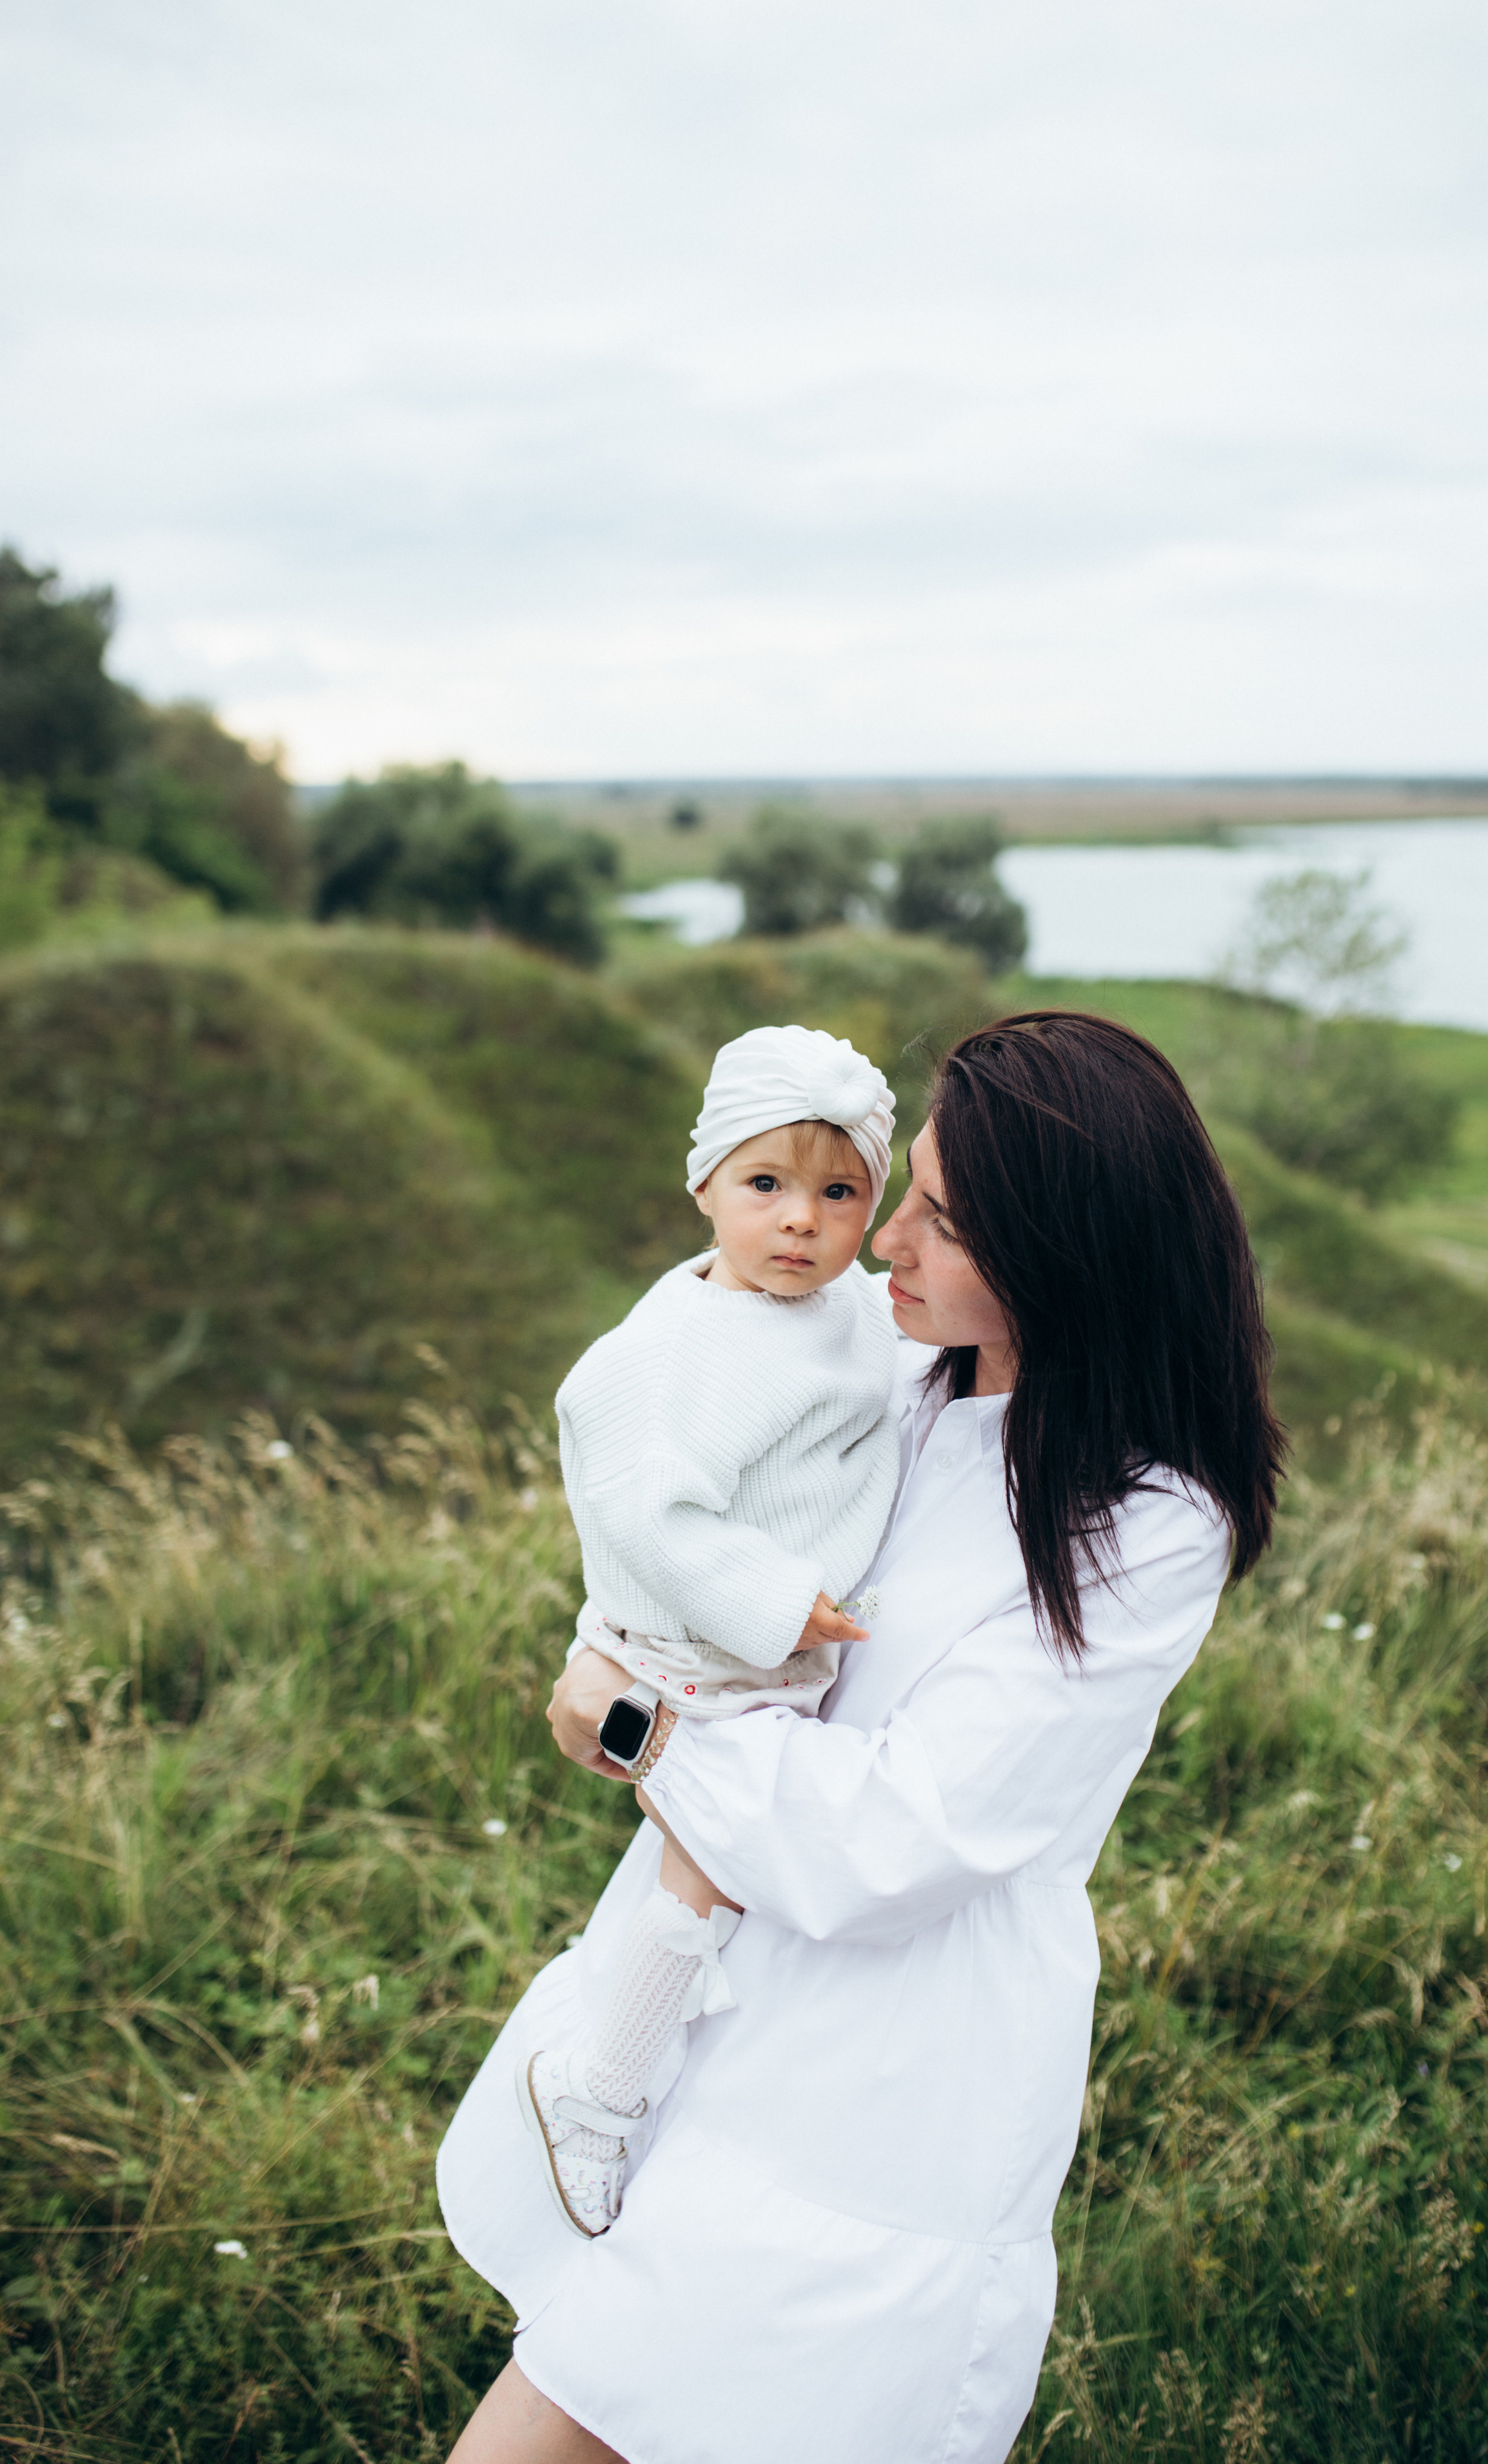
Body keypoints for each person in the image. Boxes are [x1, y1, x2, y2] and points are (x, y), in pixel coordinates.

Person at [440, 1009, 1287, 2464]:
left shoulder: (1146, 1526)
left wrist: (642, 1729)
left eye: (935, 1217)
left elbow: (907, 1832)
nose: (879, 1239)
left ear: (1057, 1251)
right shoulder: (888, 1384)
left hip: (887, 2087)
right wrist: (619, 1644)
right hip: (708, 1990)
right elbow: (687, 1511)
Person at [517, 1023, 901, 2239]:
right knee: (712, 1868)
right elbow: (646, 1505)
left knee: (722, 1868)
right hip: (708, 1638)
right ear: (704, 1188)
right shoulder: (673, 1348)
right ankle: (600, 2083)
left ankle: (640, 2068)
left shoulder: (849, 1310)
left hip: (771, 1649)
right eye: (766, 1186)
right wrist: (778, 1602)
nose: (801, 1222)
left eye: (839, 1194)